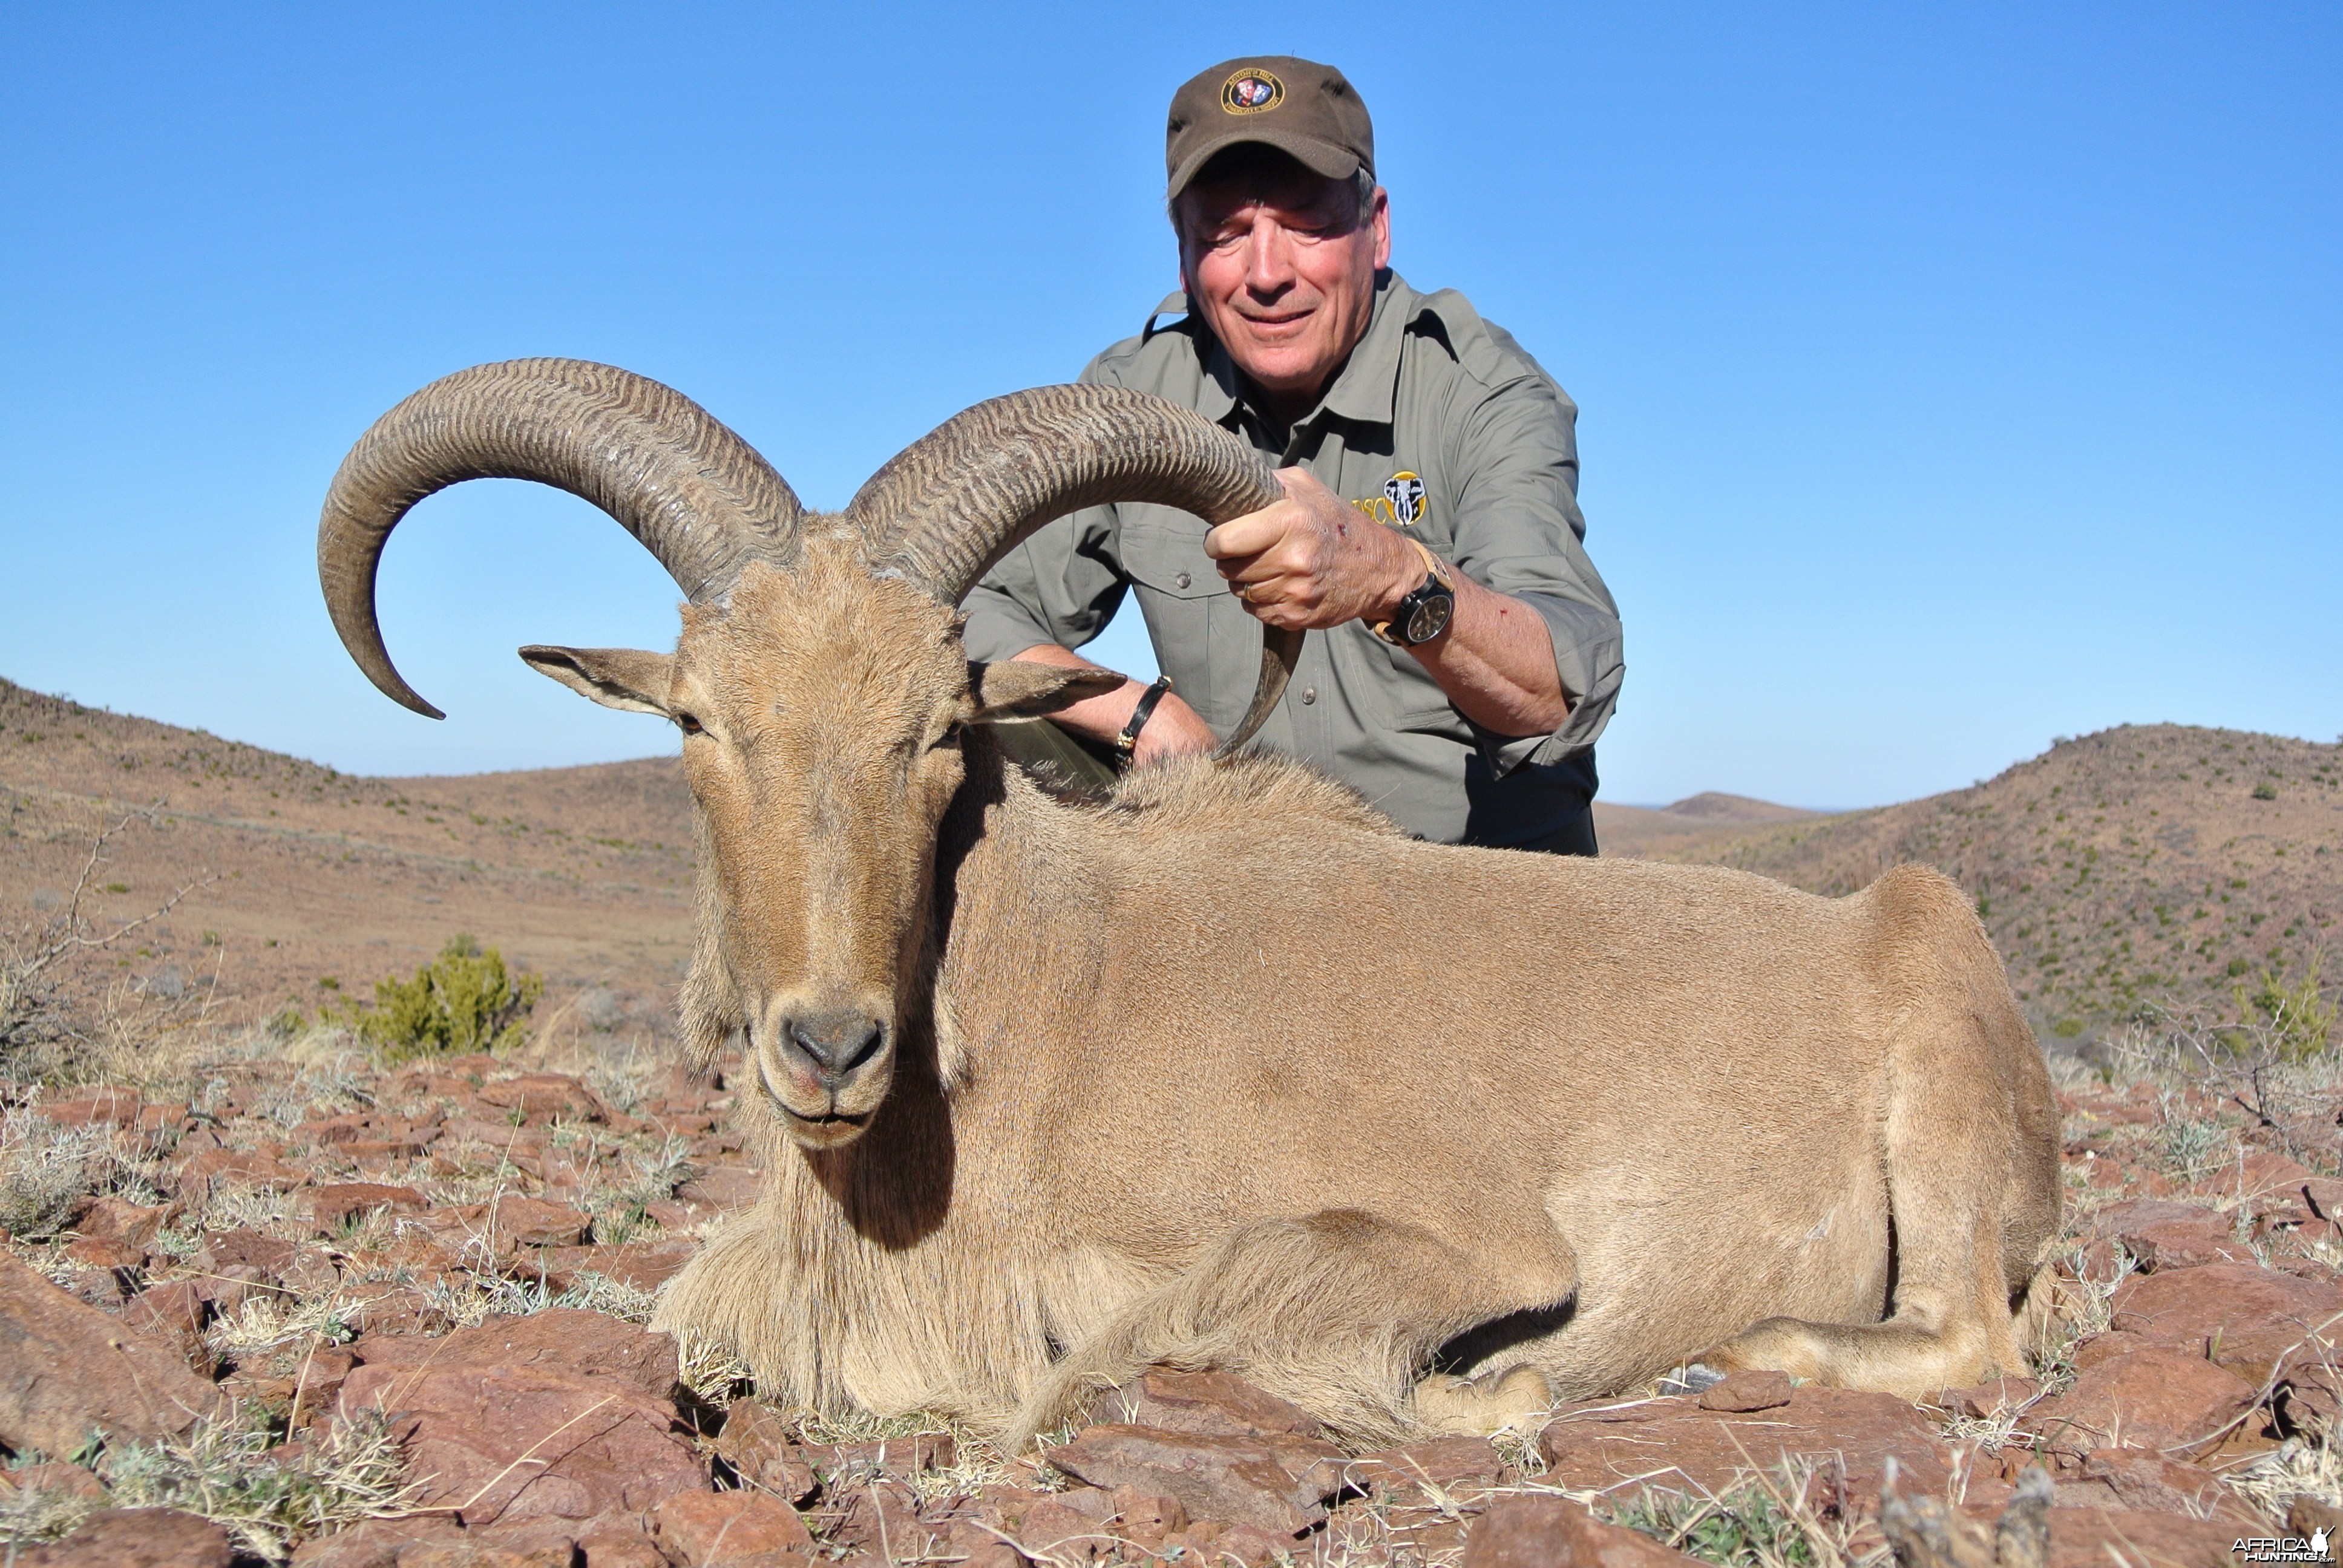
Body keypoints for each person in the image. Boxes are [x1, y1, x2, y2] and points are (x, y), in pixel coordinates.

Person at [961, 56, 1624, 853]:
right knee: (971, 729)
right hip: (1254, 888)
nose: (1267, 274)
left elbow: (1560, 690)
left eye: (1306, 223)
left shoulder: (1479, 391)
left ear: (1375, 228)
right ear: (1182, 258)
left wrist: (1391, 578)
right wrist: (1134, 714)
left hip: (1472, 896)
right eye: (1225, 234)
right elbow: (959, 613)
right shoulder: (1130, 401)